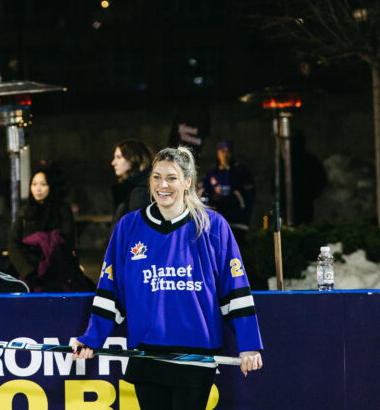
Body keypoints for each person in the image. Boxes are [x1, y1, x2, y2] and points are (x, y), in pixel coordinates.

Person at [72, 146, 263, 410]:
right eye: (157, 177)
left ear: (187, 182)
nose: (163, 185)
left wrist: (249, 344)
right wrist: (92, 338)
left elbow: (235, 292)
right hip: (147, 353)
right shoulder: (129, 227)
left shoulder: (213, 226)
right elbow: (111, 291)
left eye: (172, 178)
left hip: (195, 356)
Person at [7, 165, 92, 292]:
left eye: (43, 184)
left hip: (58, 276)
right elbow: (13, 243)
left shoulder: (62, 210)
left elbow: (67, 241)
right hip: (29, 277)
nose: (38, 189)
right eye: (34, 184)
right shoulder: (25, 211)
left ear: (51, 186)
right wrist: (27, 270)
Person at [201, 140, 255, 244]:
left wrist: (232, 198)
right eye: (222, 151)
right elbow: (203, 191)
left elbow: (248, 194)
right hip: (217, 221)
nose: (225, 154)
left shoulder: (240, 171)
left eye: (228, 151)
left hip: (237, 221)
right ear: (218, 153)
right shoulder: (213, 173)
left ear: (232, 153)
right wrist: (212, 197)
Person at [110, 140, 155, 225]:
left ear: (133, 158)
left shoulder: (140, 191)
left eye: (119, 157)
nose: (113, 163)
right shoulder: (133, 188)